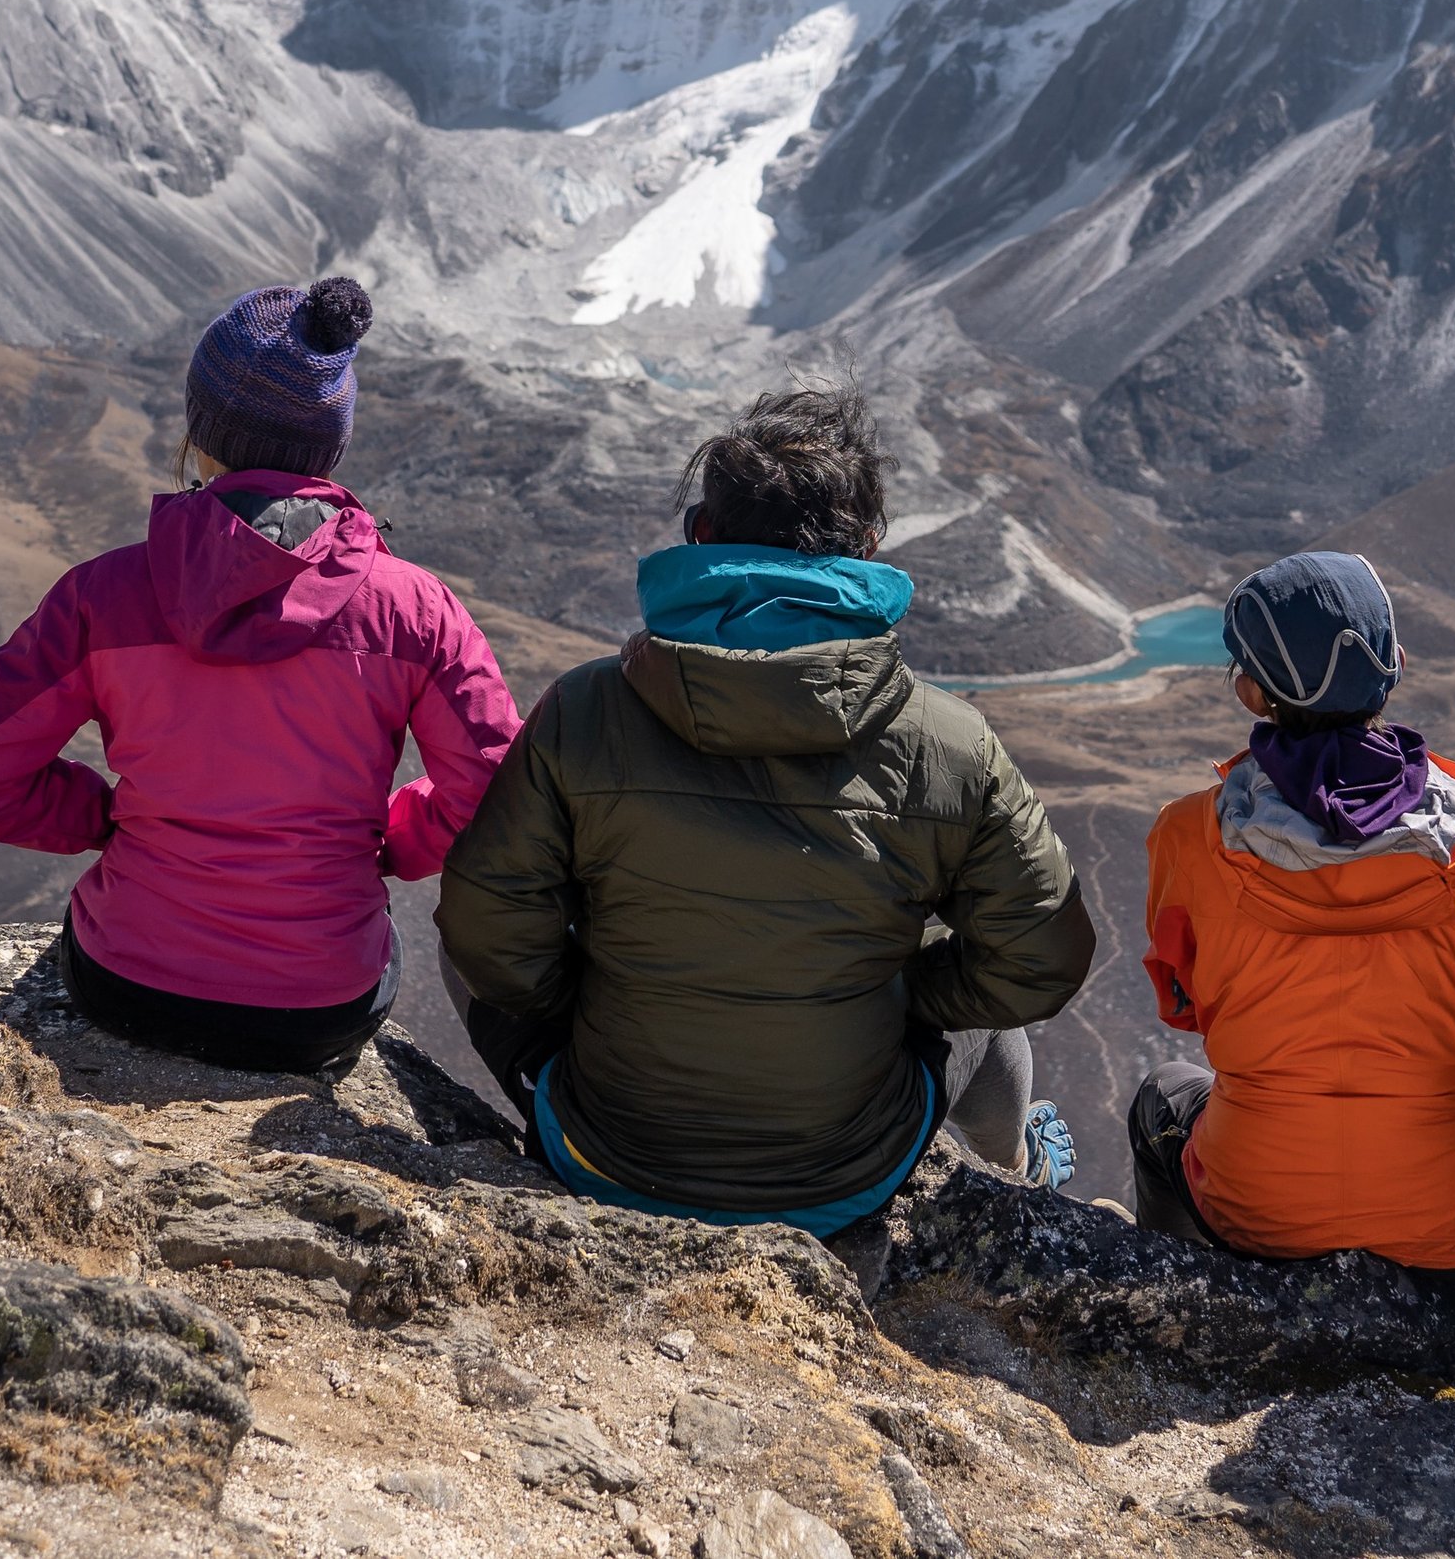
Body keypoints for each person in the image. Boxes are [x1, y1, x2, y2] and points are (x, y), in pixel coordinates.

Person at [436, 385, 1093, 1232]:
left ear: (701, 535)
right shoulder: (949, 740)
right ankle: (1015, 1171)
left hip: (606, 1153)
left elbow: (487, 929)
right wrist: (899, 998)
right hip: (843, 1177)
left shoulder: (584, 707)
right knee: (991, 1019)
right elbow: (1042, 956)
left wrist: (595, 998)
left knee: (469, 917)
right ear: (867, 547)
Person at [0, 278, 519, 1078]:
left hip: (126, 985)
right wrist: (386, 840)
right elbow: (490, 788)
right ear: (332, 443)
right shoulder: (416, 609)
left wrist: (108, 818)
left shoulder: (102, 595)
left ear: (199, 434)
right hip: (320, 1007)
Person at [1124, 551, 1455, 1291]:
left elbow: (1182, 1003)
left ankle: (1179, 1294)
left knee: (1162, 1095)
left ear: (1249, 690)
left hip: (1251, 1210)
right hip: (1453, 1220)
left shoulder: (1185, 833)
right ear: (1394, 664)